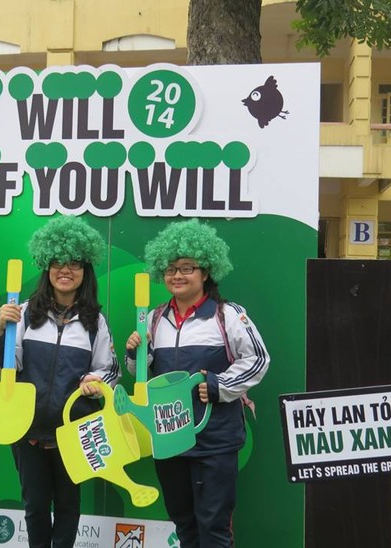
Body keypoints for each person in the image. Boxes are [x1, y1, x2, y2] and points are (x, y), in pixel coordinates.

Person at [125, 219, 270, 548]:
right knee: (184, 525)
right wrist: (135, 352)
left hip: (214, 443)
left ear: (206, 272)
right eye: (171, 268)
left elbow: (258, 359)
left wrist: (220, 385)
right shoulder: (154, 318)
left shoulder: (228, 315)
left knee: (214, 529)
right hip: (169, 443)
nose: (177, 275)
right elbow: (139, 374)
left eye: (187, 267)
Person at [0, 215, 120, 548]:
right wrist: (1, 330)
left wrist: (96, 381)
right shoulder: (25, 313)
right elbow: (6, 368)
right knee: (34, 507)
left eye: (74, 263)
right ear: (47, 268)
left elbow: (110, 369)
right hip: (27, 430)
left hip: (71, 432)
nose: (65, 270)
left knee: (68, 505)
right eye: (58, 262)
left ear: (84, 271)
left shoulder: (95, 322)